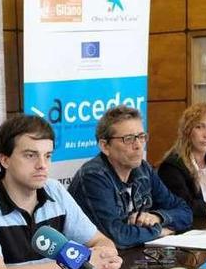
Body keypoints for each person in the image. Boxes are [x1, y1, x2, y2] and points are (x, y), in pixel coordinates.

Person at [0, 115, 122, 269]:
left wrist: (107, 257)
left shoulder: (54, 190)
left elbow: (99, 240)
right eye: (30, 155)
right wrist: (77, 263)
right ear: (4, 159)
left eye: (48, 156)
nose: (42, 165)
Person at [69, 105, 193, 248]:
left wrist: (157, 217)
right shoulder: (93, 176)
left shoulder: (143, 169)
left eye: (141, 137)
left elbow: (185, 211)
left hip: (134, 257)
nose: (139, 145)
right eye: (128, 139)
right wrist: (159, 230)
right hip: (95, 263)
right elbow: (117, 237)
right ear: (105, 146)